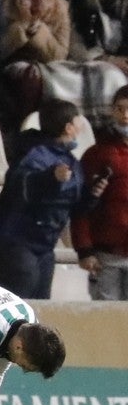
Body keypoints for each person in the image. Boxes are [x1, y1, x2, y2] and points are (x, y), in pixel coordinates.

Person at [0, 99, 85, 299]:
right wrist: (49, 178)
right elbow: (21, 187)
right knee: (15, 304)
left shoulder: (68, 159)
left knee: (39, 306)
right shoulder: (34, 154)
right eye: (78, 120)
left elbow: (78, 200)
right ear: (68, 127)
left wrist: (96, 192)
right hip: (15, 242)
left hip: (43, 245)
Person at [0, 0, 71, 126]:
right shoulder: (5, 5)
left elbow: (60, 54)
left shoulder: (60, 8)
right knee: (31, 76)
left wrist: (37, 26)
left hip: (49, 64)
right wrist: (23, 23)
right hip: (12, 64)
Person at [72, 85, 128, 300]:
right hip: (106, 255)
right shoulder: (97, 155)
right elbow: (82, 206)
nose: (125, 116)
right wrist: (84, 249)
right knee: (104, 318)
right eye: (119, 109)